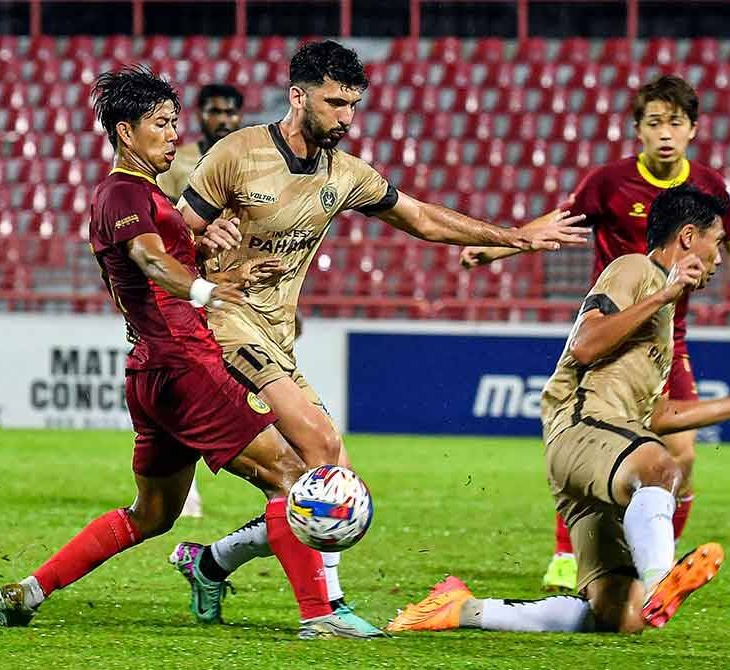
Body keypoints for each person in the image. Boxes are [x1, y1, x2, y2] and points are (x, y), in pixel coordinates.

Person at [167, 40, 587, 633]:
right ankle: (327, 611)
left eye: (353, 105)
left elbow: (421, 218)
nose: (346, 116)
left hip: (276, 337)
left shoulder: (345, 174)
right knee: (321, 452)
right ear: (298, 97)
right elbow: (170, 239)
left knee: (336, 478)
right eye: (335, 103)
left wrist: (513, 236)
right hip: (223, 327)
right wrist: (207, 250)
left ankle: (210, 562)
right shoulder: (237, 154)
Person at [0, 66, 369, 639]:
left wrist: (224, 269)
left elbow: (163, 260)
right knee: (290, 476)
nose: (174, 135)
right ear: (126, 132)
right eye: (162, 124)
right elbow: (148, 259)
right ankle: (321, 615)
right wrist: (203, 290)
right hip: (185, 364)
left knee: (152, 514)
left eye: (174, 122)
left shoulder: (146, 196)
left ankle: (30, 590)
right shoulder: (123, 192)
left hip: (150, 371)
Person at [387, 183, 730, 635]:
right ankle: (660, 581)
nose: (719, 258)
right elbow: (584, 345)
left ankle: (463, 609)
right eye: (716, 243)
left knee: (621, 615)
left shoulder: (661, 310)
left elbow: (656, 415)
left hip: (597, 453)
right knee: (661, 468)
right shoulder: (634, 269)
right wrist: (663, 295)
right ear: (687, 237)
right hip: (583, 428)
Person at [460, 75, 730, 592]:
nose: (665, 133)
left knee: (683, 455)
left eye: (675, 123)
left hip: (667, 334)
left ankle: (654, 565)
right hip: (614, 324)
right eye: (654, 123)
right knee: (593, 437)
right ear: (638, 130)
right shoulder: (610, 182)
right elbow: (561, 222)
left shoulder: (708, 188)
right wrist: (499, 247)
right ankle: (568, 554)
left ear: (693, 129)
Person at [155, 82, 244, 518]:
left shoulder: (247, 159)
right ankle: (184, 484)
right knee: (188, 382)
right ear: (201, 115)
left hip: (238, 283)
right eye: (215, 111)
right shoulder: (178, 164)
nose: (223, 119)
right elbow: (160, 219)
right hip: (190, 284)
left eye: (230, 112)